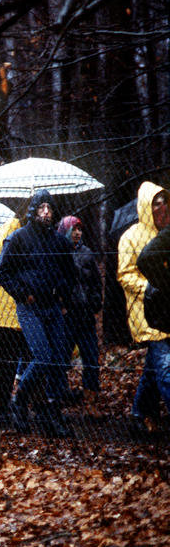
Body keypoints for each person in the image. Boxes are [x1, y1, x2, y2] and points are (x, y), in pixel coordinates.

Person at [0, 189, 77, 437]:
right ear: (33, 210)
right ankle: (20, 400)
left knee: (58, 359)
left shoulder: (60, 242)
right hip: (29, 307)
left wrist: (63, 296)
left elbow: (70, 274)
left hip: (52, 306)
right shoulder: (19, 238)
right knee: (42, 356)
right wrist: (22, 293)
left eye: (49, 208)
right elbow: (2, 271)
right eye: (41, 207)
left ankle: (50, 410)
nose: (45, 212)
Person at [118, 181, 170, 434]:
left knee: (153, 366)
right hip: (147, 312)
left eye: (164, 201)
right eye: (155, 203)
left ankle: (139, 412)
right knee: (166, 369)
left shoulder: (168, 232)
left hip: (167, 310)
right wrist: (150, 287)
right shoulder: (130, 237)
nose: (161, 207)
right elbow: (125, 274)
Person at [56, 215, 102, 406]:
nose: (77, 233)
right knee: (61, 359)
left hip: (85, 315)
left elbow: (96, 282)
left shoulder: (87, 254)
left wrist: (95, 303)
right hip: (66, 317)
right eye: (73, 229)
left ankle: (91, 402)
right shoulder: (57, 254)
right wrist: (61, 306)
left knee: (91, 358)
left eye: (79, 229)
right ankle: (58, 398)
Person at [0, 213, 29, 419]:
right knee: (9, 362)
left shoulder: (6, 230)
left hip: (9, 307)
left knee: (9, 361)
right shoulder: (12, 231)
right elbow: (6, 269)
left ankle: (5, 407)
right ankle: (6, 407)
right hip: (12, 307)